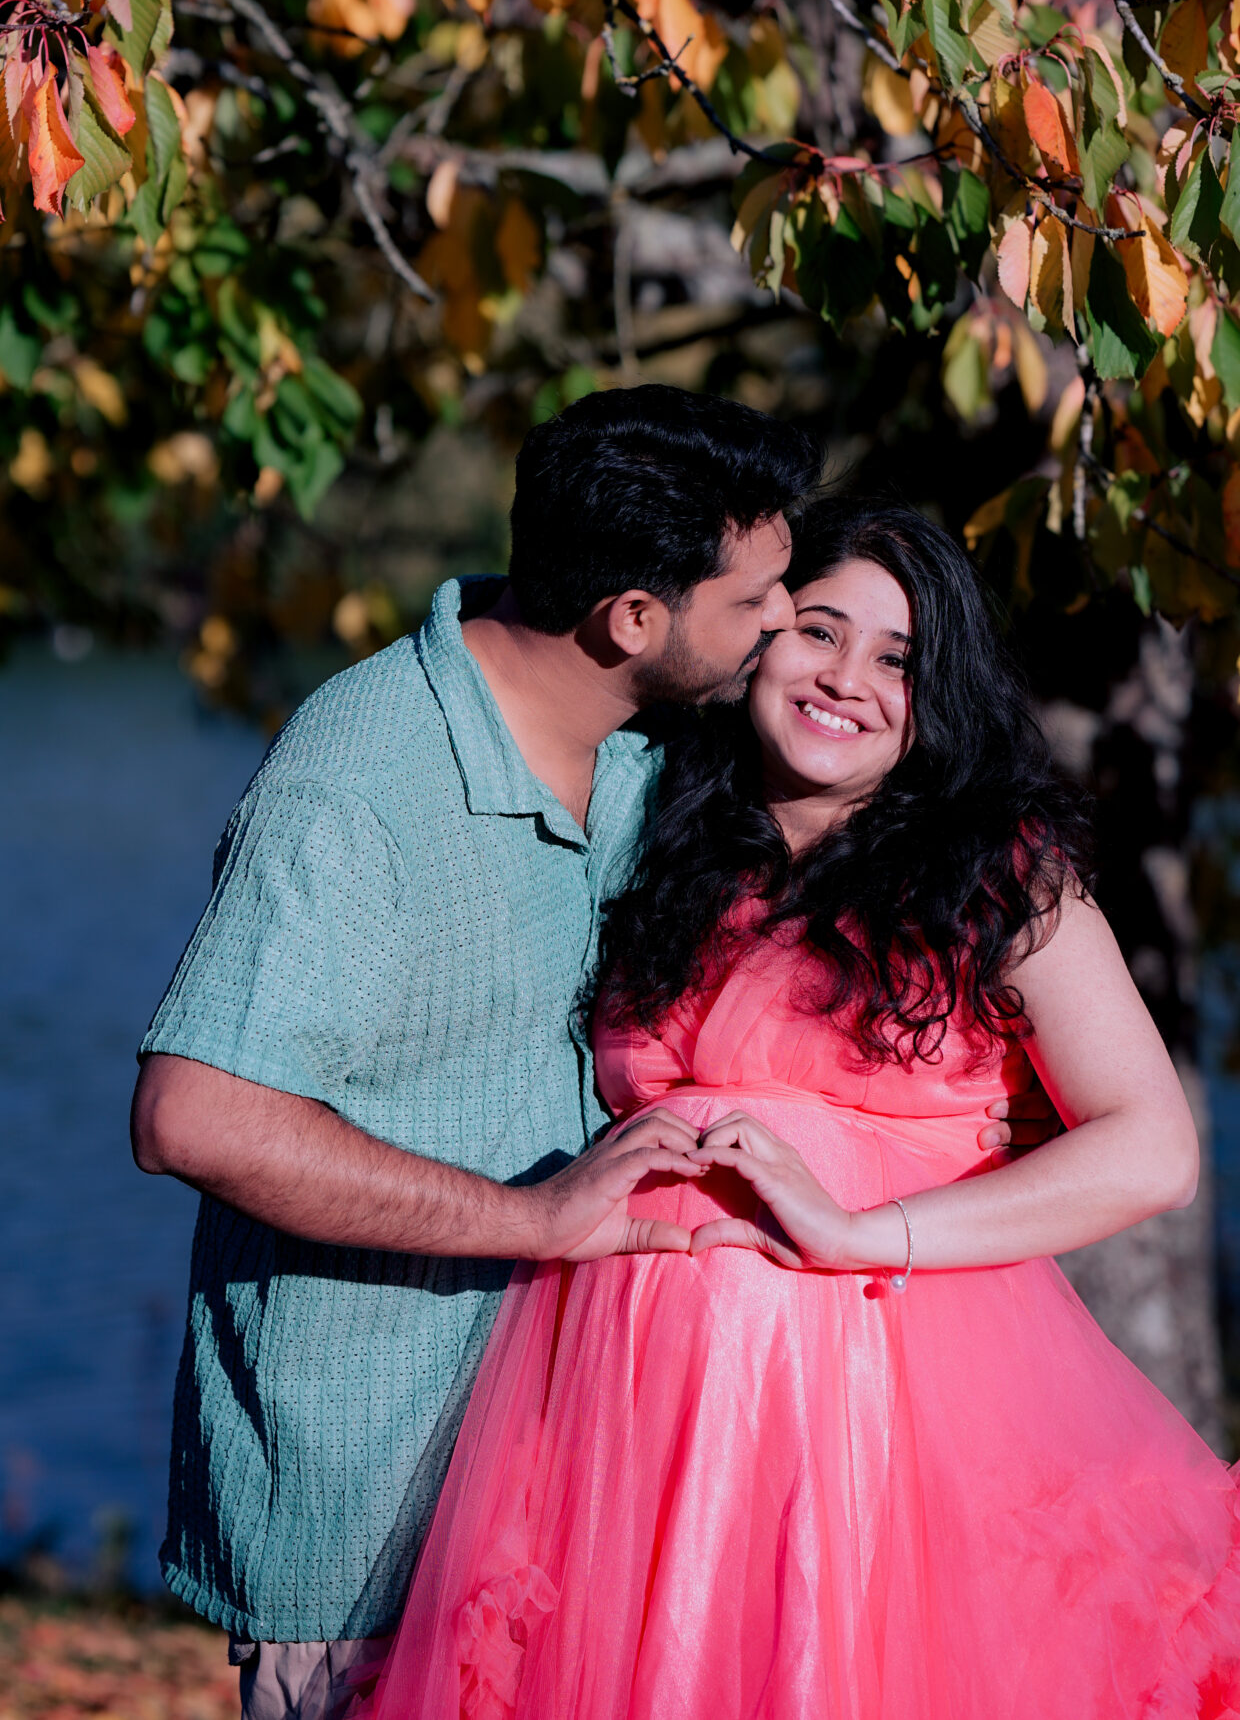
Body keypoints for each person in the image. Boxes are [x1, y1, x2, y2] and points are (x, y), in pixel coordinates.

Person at [362, 497, 1240, 1720]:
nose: (845, 678)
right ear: (757, 636)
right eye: (818, 630)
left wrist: (860, 1229)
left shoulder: (997, 876)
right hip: (620, 1420)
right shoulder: (658, 833)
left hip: (870, 1419)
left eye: (896, 658)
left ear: (938, 697)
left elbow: (1150, 1147)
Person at [131, 386, 877, 1720]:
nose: (782, 619)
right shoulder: (360, 785)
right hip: (374, 1536)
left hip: (562, 1507)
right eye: (754, 599)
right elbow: (196, 1115)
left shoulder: (642, 746)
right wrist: (535, 1217)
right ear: (631, 619)